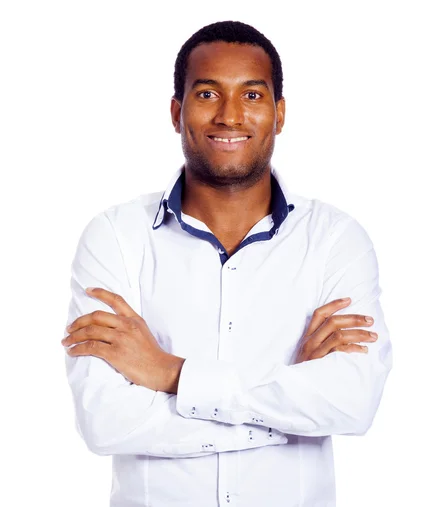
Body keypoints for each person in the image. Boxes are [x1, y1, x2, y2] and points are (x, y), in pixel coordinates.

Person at [62, 20, 392, 507]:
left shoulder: (335, 241)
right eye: (208, 94)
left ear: (280, 115)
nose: (230, 116)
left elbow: (351, 403)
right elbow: (105, 422)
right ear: (177, 112)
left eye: (253, 96)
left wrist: (172, 374)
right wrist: (284, 405)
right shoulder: (114, 238)